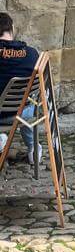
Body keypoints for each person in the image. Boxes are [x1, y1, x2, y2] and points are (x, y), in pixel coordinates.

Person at [0, 13, 40, 165]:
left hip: (1, 115)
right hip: (24, 113)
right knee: (27, 101)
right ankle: (33, 149)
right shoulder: (32, 54)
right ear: (12, 29)